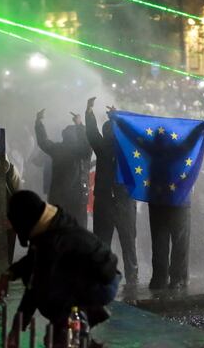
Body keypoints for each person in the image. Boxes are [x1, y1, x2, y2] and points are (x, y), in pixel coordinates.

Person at [0, 190, 120, 347]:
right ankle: (81, 325)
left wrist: (15, 330)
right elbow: (32, 260)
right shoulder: (52, 223)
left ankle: (79, 320)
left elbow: (33, 291)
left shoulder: (53, 243)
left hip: (101, 284)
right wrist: (9, 273)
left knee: (49, 298)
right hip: (98, 276)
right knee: (51, 296)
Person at [85, 97, 138, 285]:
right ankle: (131, 278)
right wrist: (116, 117)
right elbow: (93, 133)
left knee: (109, 243)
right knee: (126, 244)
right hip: (120, 203)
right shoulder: (125, 148)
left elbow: (92, 132)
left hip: (109, 202)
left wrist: (90, 113)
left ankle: (103, 276)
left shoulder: (110, 148)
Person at [35, 109, 92, 228]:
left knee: (58, 233)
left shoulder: (57, 149)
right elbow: (87, 144)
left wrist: (39, 122)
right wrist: (80, 125)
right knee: (79, 234)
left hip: (59, 199)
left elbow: (43, 141)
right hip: (78, 199)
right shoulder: (82, 152)